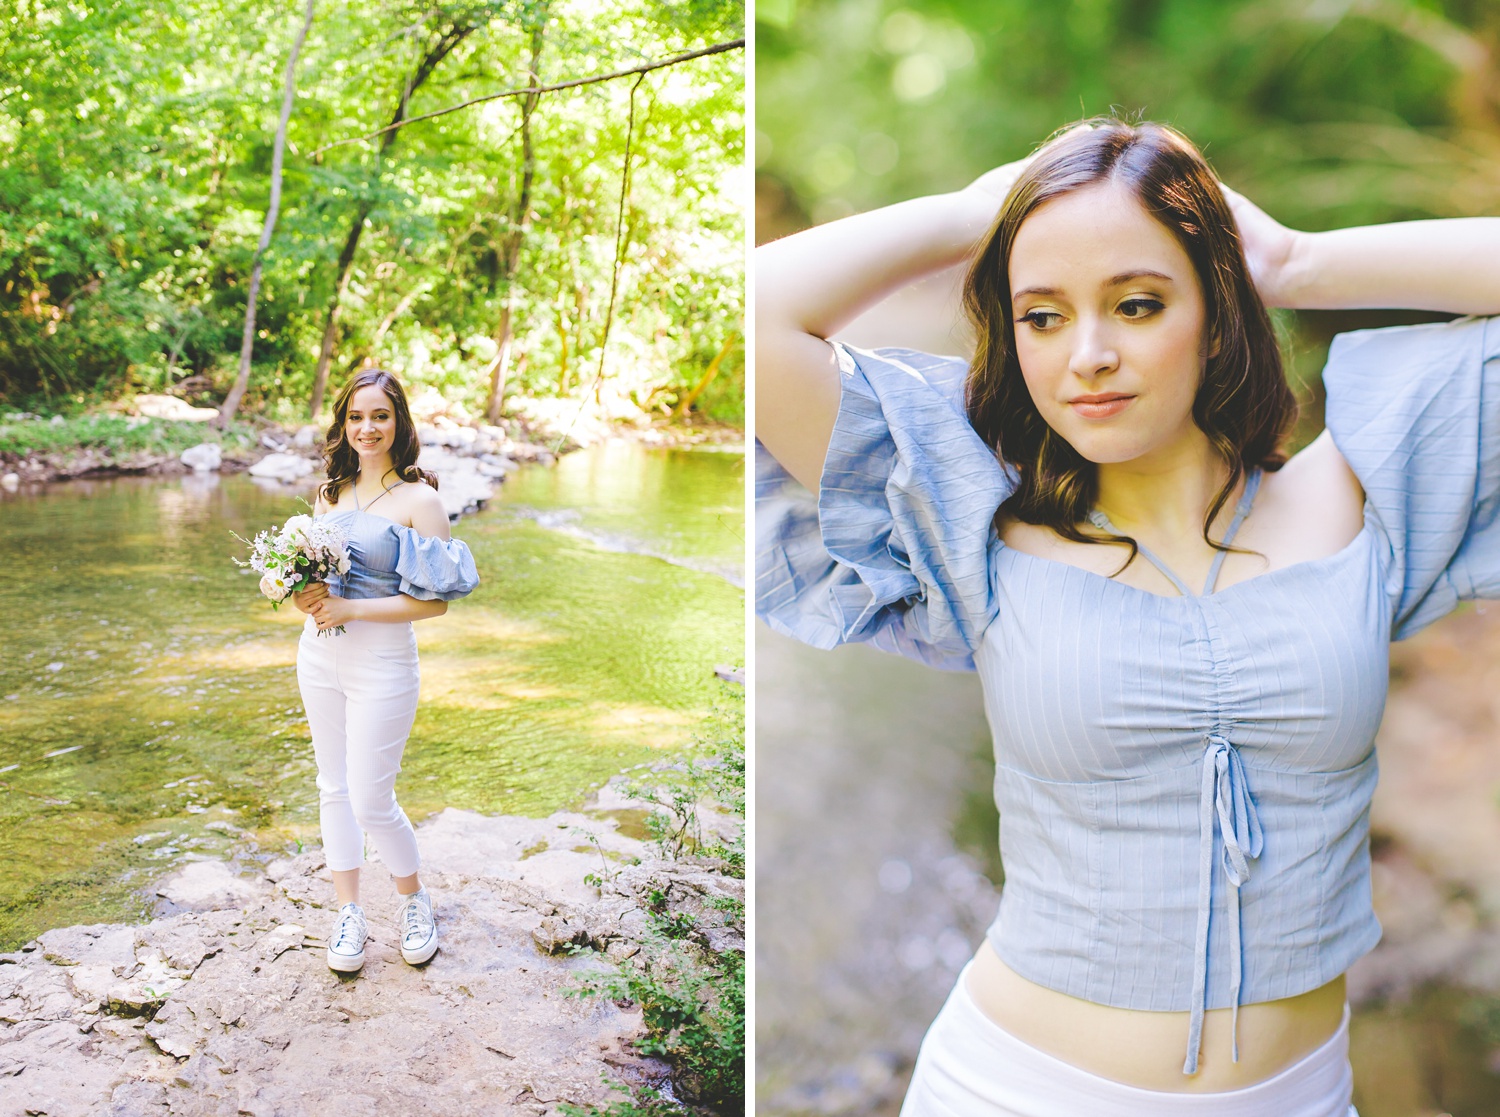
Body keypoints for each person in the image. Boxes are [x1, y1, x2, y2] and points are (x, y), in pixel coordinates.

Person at [756, 118, 1500, 1115]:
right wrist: (982, 211)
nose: (1089, 356)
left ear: (1217, 308)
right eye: (1043, 316)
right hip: (1018, 1090)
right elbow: (754, 311)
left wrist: (1295, 259)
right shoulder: (974, 518)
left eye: (1138, 303)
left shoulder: (1357, 492)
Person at [292, 368, 479, 975]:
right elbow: (313, 578)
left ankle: (412, 901)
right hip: (318, 655)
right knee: (332, 788)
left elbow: (436, 601)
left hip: (384, 663)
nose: (366, 428)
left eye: (379, 416)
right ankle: (349, 913)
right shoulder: (328, 493)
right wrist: (302, 595)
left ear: (399, 422)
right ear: (342, 424)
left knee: (372, 799)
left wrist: (351, 608)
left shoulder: (420, 501)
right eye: (355, 417)